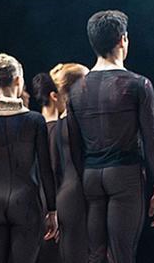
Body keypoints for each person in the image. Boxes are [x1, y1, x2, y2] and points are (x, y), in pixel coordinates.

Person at [66, 10, 154, 263]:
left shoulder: (76, 89)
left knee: (95, 256)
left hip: (90, 176)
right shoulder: (137, 84)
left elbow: (73, 145)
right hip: (124, 175)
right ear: (123, 39)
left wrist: (83, 181)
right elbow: (151, 139)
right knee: (122, 255)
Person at [0, 54, 58, 263]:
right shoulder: (35, 121)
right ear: (19, 79)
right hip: (26, 202)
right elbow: (46, 169)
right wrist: (53, 211)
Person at [47, 63, 89, 263]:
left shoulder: (55, 126)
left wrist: (52, 210)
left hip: (64, 198)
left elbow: (54, 169)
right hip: (84, 195)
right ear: (80, 86)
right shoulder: (83, 122)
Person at [30, 73, 61, 263]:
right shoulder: (59, 129)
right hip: (54, 203)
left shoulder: (29, 126)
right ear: (53, 96)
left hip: (31, 203)